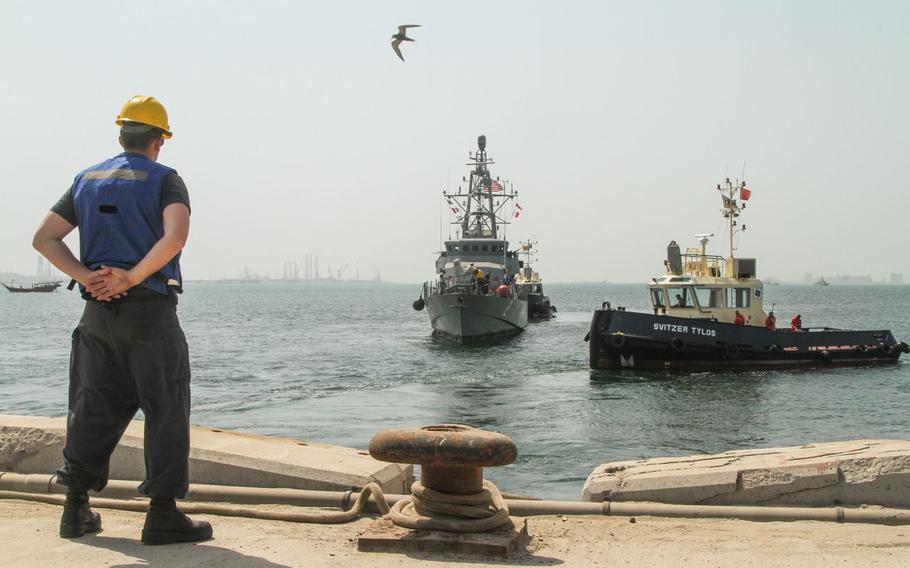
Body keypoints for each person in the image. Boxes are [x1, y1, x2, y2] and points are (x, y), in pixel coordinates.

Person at [32, 95, 212, 545]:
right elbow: (176, 236)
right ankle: (163, 514)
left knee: (92, 404)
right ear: (159, 141)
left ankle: (75, 509)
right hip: (149, 313)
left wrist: (89, 278)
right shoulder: (165, 180)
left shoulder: (86, 179)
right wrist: (130, 277)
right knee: (166, 407)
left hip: (97, 315)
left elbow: (43, 238)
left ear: (120, 136)